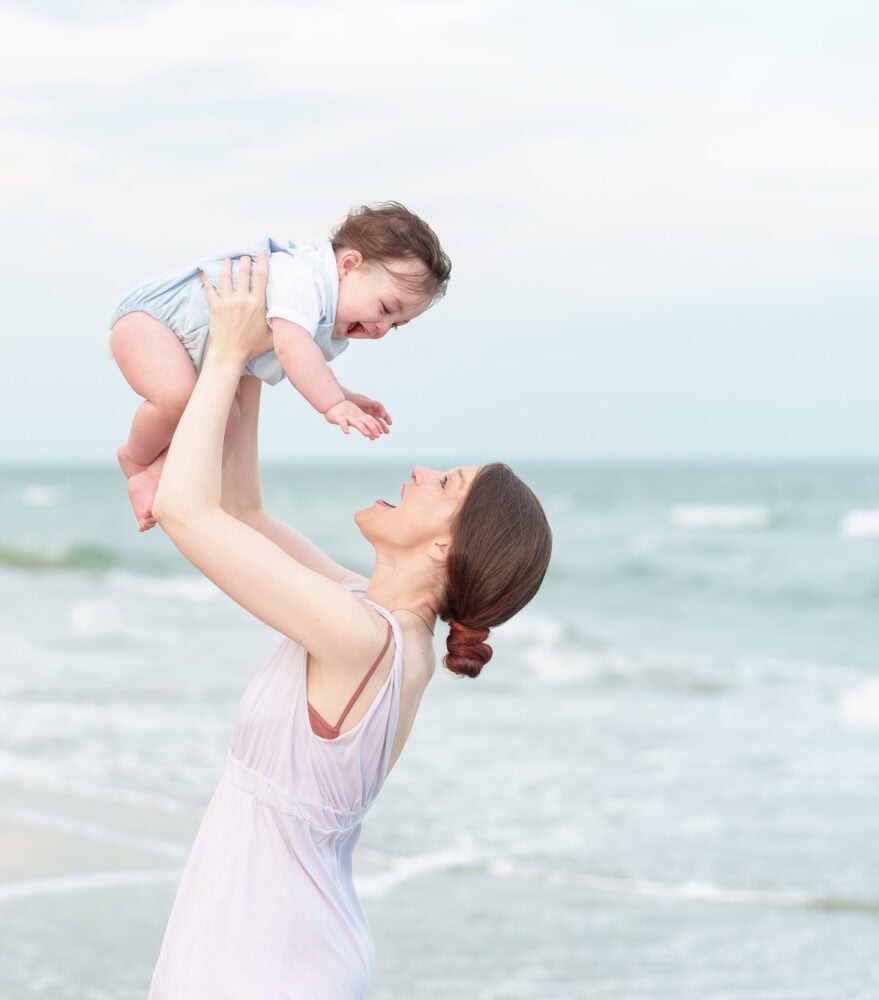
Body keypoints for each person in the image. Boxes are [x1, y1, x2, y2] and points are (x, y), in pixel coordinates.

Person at [147, 253, 552, 998]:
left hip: (269, 962)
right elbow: (242, 514)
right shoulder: (368, 620)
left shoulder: (362, 640)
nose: (421, 473)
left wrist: (231, 351)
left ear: (444, 548)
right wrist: (258, 356)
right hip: (269, 944)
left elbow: (185, 510)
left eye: (446, 485)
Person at [109, 202, 451, 531]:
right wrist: (333, 403)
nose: (381, 327)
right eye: (386, 308)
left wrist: (346, 395)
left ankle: (153, 476)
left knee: (221, 424)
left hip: (188, 347)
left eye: (395, 325)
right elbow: (292, 348)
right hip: (154, 322)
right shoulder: (305, 277)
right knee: (178, 396)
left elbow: (306, 361)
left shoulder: (323, 318)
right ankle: (136, 459)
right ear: (349, 265)